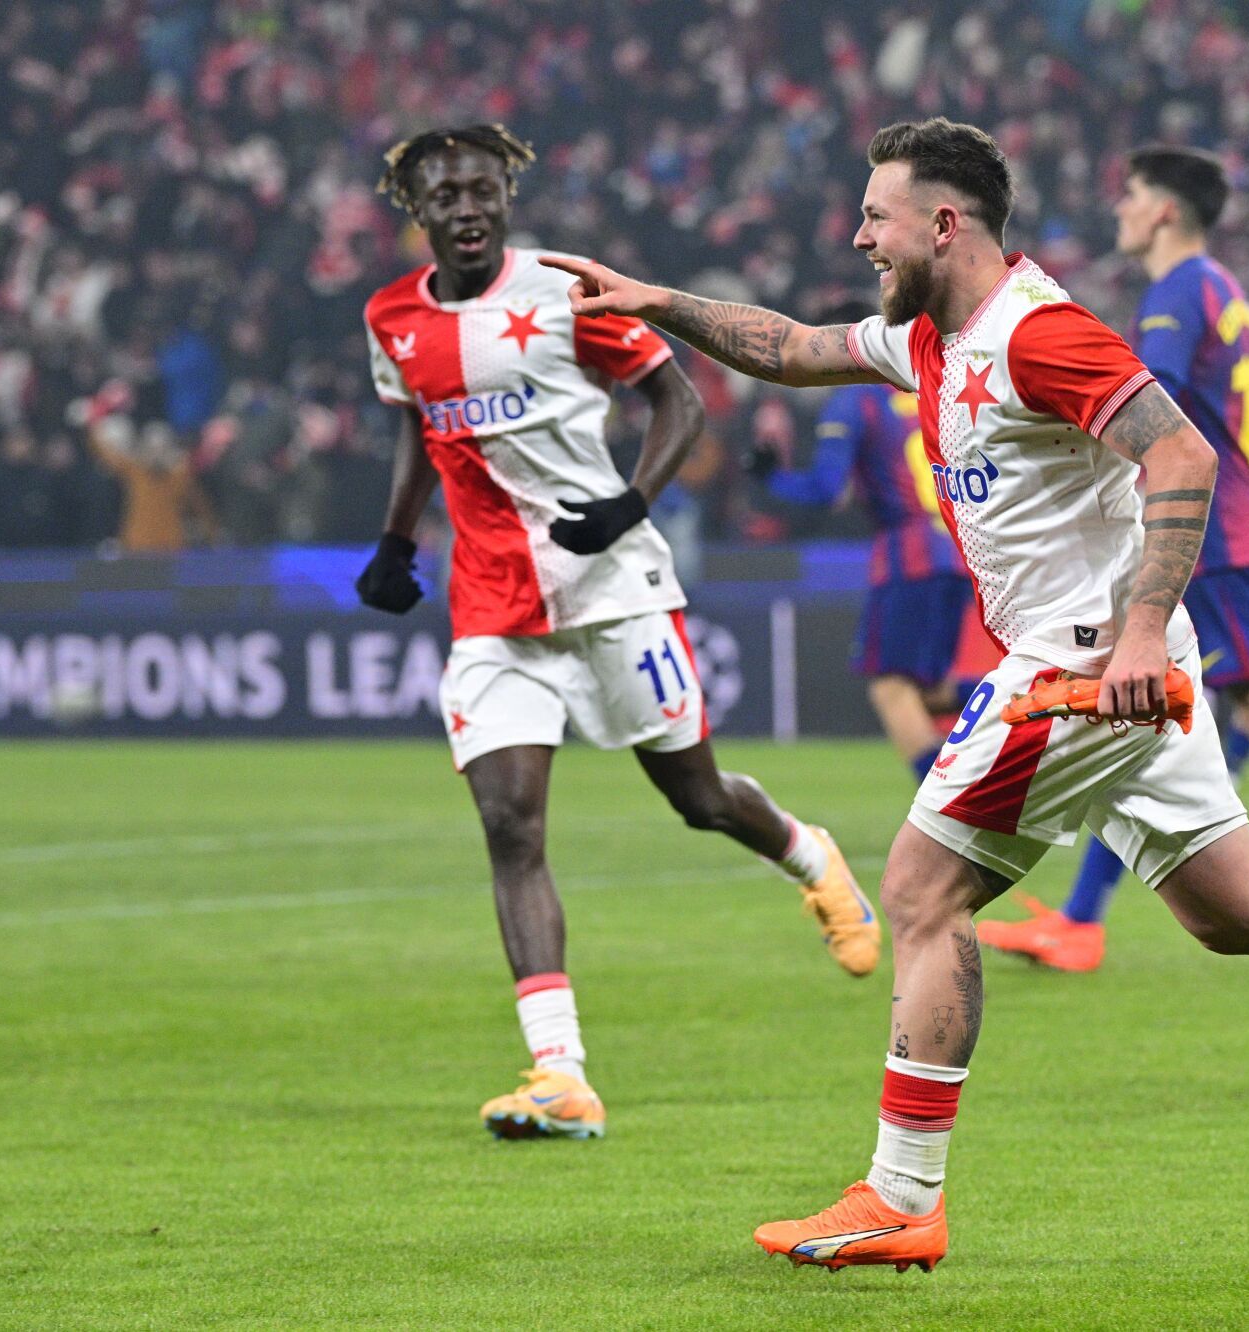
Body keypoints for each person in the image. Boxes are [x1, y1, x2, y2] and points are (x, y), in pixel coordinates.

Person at [543, 117, 1249, 1270]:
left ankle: (900, 1197)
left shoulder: (1036, 333)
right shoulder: (929, 338)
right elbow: (792, 347)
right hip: (1113, 657)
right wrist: (656, 301)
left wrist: (1138, 630)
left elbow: (1181, 454)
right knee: (1240, 911)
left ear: (942, 224)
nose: (857, 239)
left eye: (875, 218)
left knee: (919, 892)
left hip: (1086, 659)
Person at [353, 125, 878, 1143]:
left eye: (481, 189)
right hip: (492, 608)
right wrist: (394, 541)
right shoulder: (390, 318)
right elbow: (414, 423)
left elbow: (677, 401)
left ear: (506, 195)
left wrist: (630, 505)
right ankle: (561, 1075)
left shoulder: (561, 291)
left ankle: (807, 856)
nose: (466, 208)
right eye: (443, 195)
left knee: (697, 799)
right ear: (414, 210)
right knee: (511, 827)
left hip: (611, 588)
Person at [977, 147, 1249, 973]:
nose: (1120, 208)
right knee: (1145, 726)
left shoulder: (1177, 293)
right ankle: (1081, 921)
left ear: (1165, 209)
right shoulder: (1223, 289)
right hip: (1233, 531)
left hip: (1215, 540)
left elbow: (1143, 400)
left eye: (1131, 194)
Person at [756, 299, 976, 783]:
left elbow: (827, 490)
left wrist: (772, 479)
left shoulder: (855, 400)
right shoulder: (929, 383)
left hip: (908, 560)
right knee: (931, 690)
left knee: (890, 687)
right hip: (959, 555)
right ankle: (1021, 695)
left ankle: (946, 806)